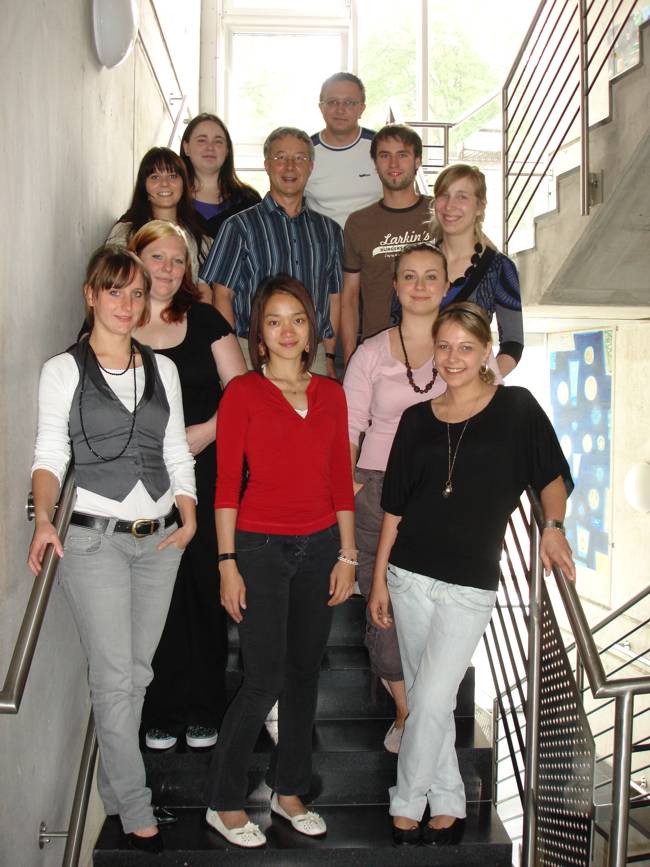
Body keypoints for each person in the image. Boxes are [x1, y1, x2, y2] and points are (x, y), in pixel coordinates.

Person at [368, 302, 575, 847]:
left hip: (470, 584)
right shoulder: (416, 419)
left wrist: (553, 527)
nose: (453, 357)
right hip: (409, 574)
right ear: (433, 352)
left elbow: (552, 477)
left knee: (433, 700)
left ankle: (405, 800)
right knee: (425, 694)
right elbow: (394, 508)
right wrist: (379, 578)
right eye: (444, 346)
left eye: (466, 347)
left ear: (487, 351)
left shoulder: (517, 409)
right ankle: (450, 799)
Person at [28, 246, 197, 854]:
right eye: (114, 291)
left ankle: (116, 788)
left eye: (136, 293)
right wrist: (43, 518)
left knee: (137, 674)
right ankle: (137, 806)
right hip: (93, 538)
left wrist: (190, 514)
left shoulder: (163, 369)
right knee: (115, 676)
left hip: (161, 540)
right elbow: (50, 453)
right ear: (91, 295)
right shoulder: (63, 370)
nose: (126, 304)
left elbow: (175, 449)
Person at [204, 275, 356, 848]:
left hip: (321, 546)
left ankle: (288, 790)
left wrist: (348, 554)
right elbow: (226, 485)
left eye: (297, 319)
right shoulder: (243, 392)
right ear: (259, 334)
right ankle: (223, 800)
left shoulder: (332, 394)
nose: (287, 330)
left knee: (303, 674)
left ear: (312, 329)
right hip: (260, 548)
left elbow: (340, 478)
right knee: (263, 677)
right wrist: (226, 562)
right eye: (274, 321)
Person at [126, 221, 246, 752]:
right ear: (137, 259)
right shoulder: (118, 317)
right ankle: (160, 709)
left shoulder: (205, 319)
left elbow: (242, 392)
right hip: (142, 477)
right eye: (158, 257)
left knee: (202, 584)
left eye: (178, 260)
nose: (168, 269)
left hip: (204, 469)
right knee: (155, 592)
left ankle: (204, 707)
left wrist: (207, 432)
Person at [199, 127, 343, 377]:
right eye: (280, 157)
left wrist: (328, 355)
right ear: (266, 165)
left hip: (312, 355)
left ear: (310, 166)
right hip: (252, 354)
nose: (290, 166)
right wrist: (233, 356)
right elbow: (222, 296)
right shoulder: (238, 227)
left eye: (299, 158)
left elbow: (333, 297)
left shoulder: (329, 231)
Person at [341, 124, 433, 362]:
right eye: (384, 155)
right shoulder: (358, 222)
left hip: (435, 349)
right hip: (378, 352)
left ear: (417, 160)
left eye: (402, 155)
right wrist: (351, 358)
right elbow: (349, 296)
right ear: (375, 163)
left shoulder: (440, 213)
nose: (393, 164)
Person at [431, 163, 524, 375]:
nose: (450, 205)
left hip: (469, 383)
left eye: (462, 197)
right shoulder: (416, 262)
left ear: (480, 206)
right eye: (444, 195)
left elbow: (513, 343)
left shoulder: (499, 268)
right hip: (412, 383)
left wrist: (483, 383)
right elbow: (396, 325)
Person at [107, 146, 210, 295]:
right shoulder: (125, 233)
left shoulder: (200, 239)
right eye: (155, 177)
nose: (164, 183)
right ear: (143, 186)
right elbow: (110, 282)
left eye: (172, 176)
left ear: (184, 184)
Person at [305, 72, 382, 230]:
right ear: (321, 108)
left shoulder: (382, 147)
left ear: (361, 108)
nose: (340, 110)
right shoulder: (304, 152)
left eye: (349, 103)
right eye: (332, 102)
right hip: (321, 241)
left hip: (375, 241)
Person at [179, 113, 261, 239]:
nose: (210, 147)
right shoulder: (172, 199)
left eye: (218, 141)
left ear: (227, 150)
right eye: (201, 140)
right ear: (186, 148)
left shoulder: (249, 201)